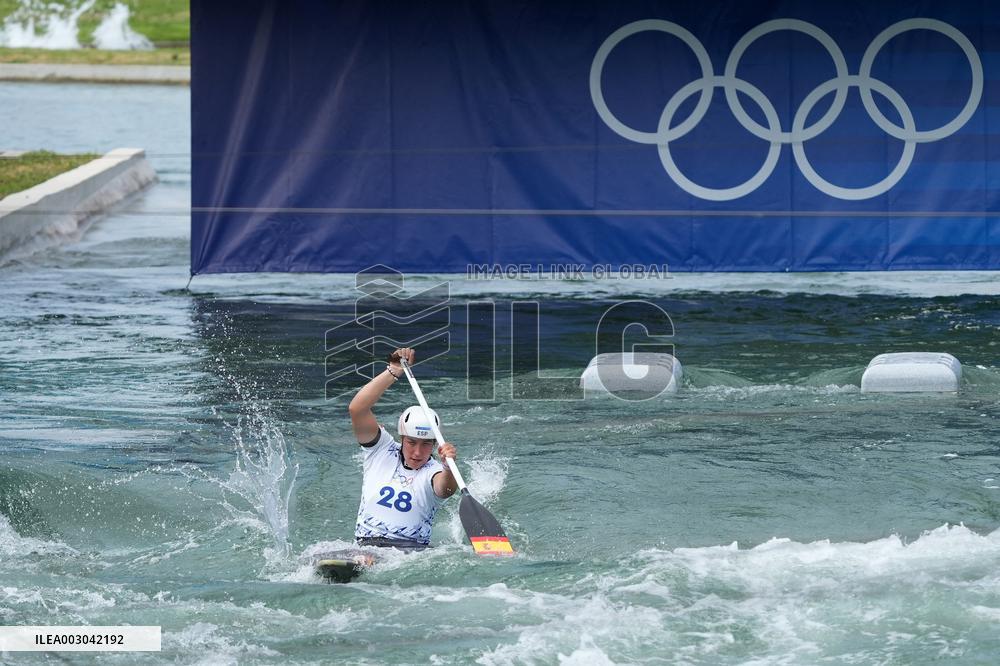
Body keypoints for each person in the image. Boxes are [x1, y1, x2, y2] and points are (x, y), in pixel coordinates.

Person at [348, 347, 458, 549]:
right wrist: (393, 370)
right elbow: (357, 409)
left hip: (410, 551)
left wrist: (449, 468)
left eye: (426, 444)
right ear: (401, 437)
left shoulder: (434, 470)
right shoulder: (379, 450)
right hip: (365, 545)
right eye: (411, 442)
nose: (417, 452)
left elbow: (445, 489)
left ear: (434, 444)